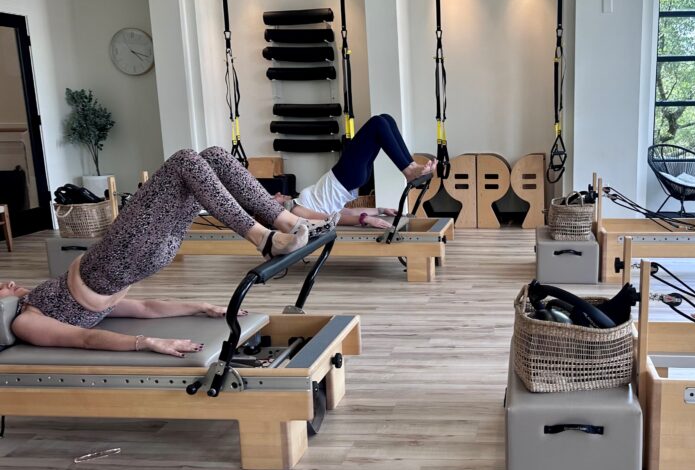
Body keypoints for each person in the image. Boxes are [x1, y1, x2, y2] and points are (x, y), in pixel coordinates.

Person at [3, 146, 322, 357]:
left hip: (144, 255)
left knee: (212, 157)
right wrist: (147, 342)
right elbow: (84, 340)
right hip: (120, 254)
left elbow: (143, 309)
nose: (8, 283)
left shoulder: (40, 303)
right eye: (1, 289)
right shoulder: (25, 322)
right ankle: (264, 238)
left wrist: (199, 307)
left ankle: (288, 222)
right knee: (184, 160)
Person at [274, 114, 435, 230]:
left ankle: (411, 166)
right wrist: (365, 220)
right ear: (275, 206)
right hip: (344, 177)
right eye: (275, 196)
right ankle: (409, 170)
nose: (279, 192)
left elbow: (349, 211)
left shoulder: (302, 203)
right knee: (377, 123)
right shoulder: (295, 210)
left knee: (386, 120)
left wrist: (380, 210)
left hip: (351, 179)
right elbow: (331, 219)